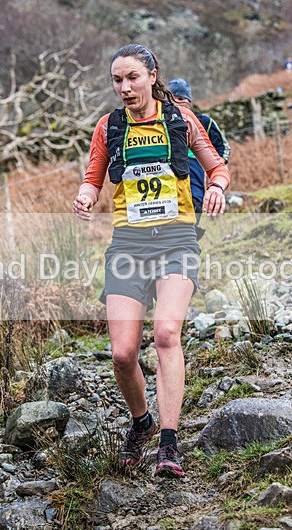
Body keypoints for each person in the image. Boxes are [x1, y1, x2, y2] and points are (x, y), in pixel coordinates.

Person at [72, 44, 230, 478]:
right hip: (128, 246)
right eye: (117, 81)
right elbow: (93, 177)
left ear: (152, 75)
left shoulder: (179, 118)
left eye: (132, 78)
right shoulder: (109, 127)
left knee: (165, 334)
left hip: (177, 238)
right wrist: (86, 196)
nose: (125, 88)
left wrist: (216, 186)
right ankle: (141, 421)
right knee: (122, 354)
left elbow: (216, 166)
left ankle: (168, 441)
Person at [166, 77, 230, 233]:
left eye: (180, 98)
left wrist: (212, 171)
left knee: (191, 219)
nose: (176, 103)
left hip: (195, 181)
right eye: (171, 99)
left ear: (189, 101)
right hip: (168, 185)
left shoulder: (204, 122)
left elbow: (223, 148)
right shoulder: (160, 122)